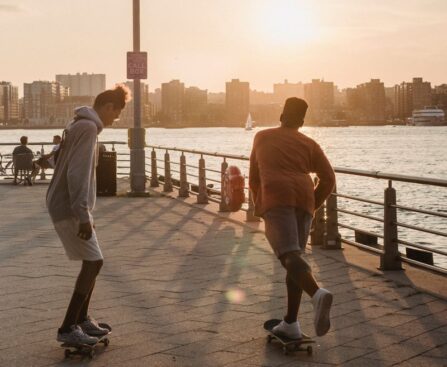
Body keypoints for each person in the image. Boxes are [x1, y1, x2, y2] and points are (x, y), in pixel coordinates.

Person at [46, 85, 131, 345]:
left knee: (93, 261)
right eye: (115, 115)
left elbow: (58, 159)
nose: (114, 120)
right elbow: (77, 173)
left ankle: (81, 320)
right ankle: (68, 327)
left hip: (64, 203)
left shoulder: (78, 124)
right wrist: (83, 213)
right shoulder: (88, 128)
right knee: (94, 262)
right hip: (69, 206)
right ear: (108, 107)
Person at [249, 97, 336, 339]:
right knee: (294, 257)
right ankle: (290, 323)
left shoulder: (262, 137)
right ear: (302, 120)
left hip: (277, 198)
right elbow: (328, 179)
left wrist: (262, 205)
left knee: (288, 255)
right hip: (305, 199)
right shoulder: (310, 143)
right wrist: (313, 204)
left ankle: (318, 294)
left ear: (281, 115)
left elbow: (254, 178)